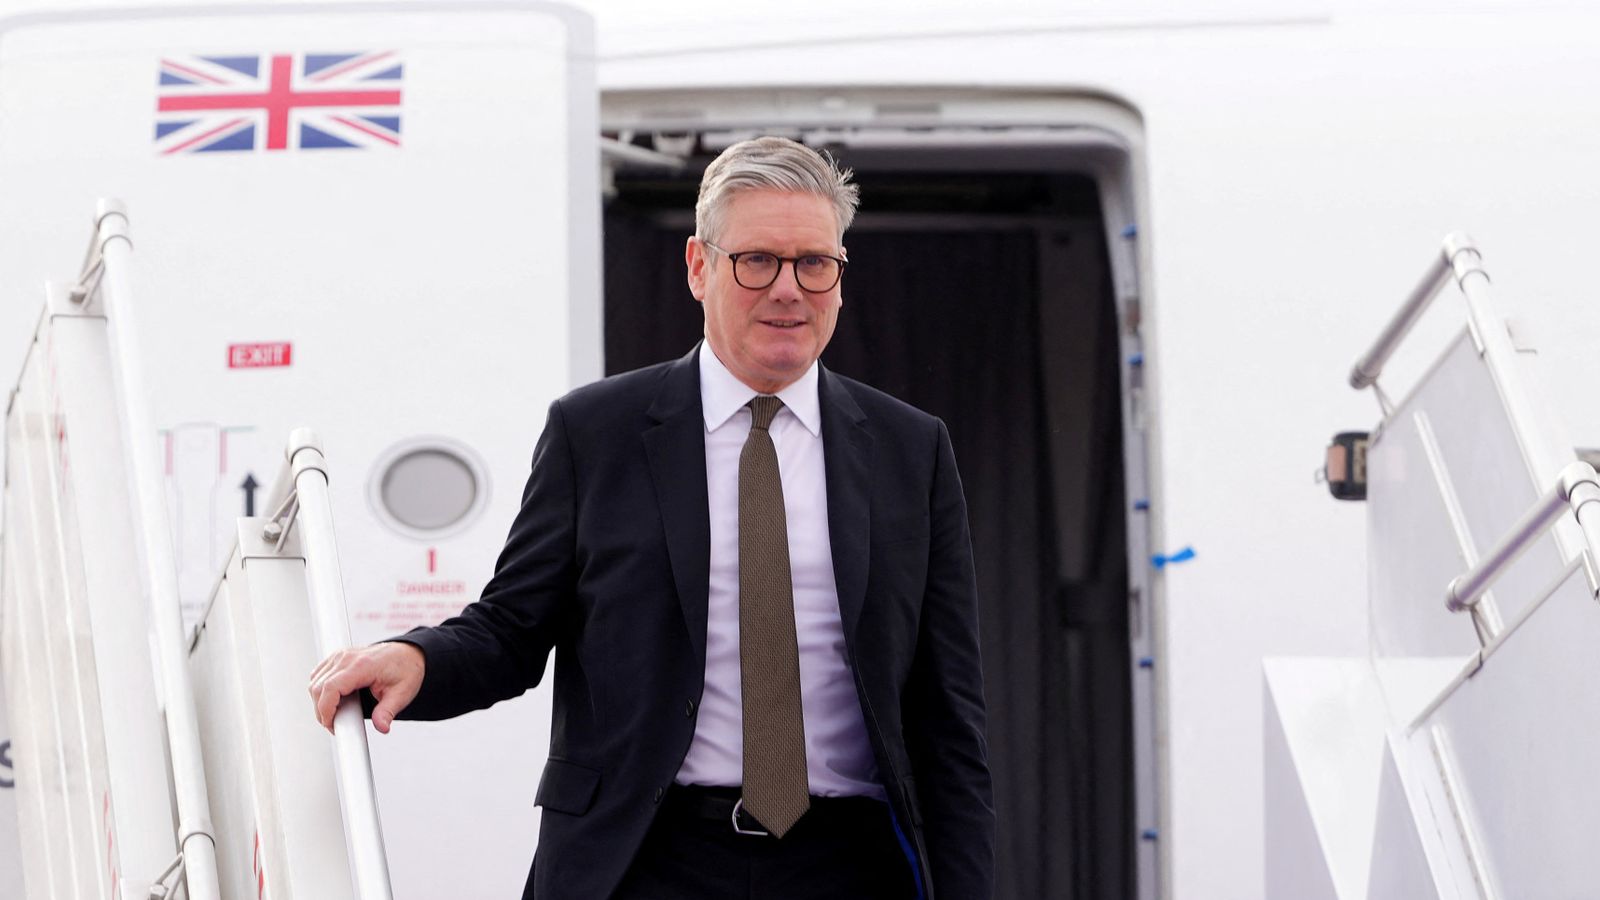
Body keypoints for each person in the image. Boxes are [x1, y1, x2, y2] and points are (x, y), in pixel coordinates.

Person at [308, 136, 994, 900]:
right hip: (647, 858)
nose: (789, 289)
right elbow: (511, 629)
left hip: (847, 865)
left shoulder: (910, 449)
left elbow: (948, 714)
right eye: (757, 261)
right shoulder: (596, 433)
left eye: (814, 263)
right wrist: (420, 659)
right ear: (700, 267)